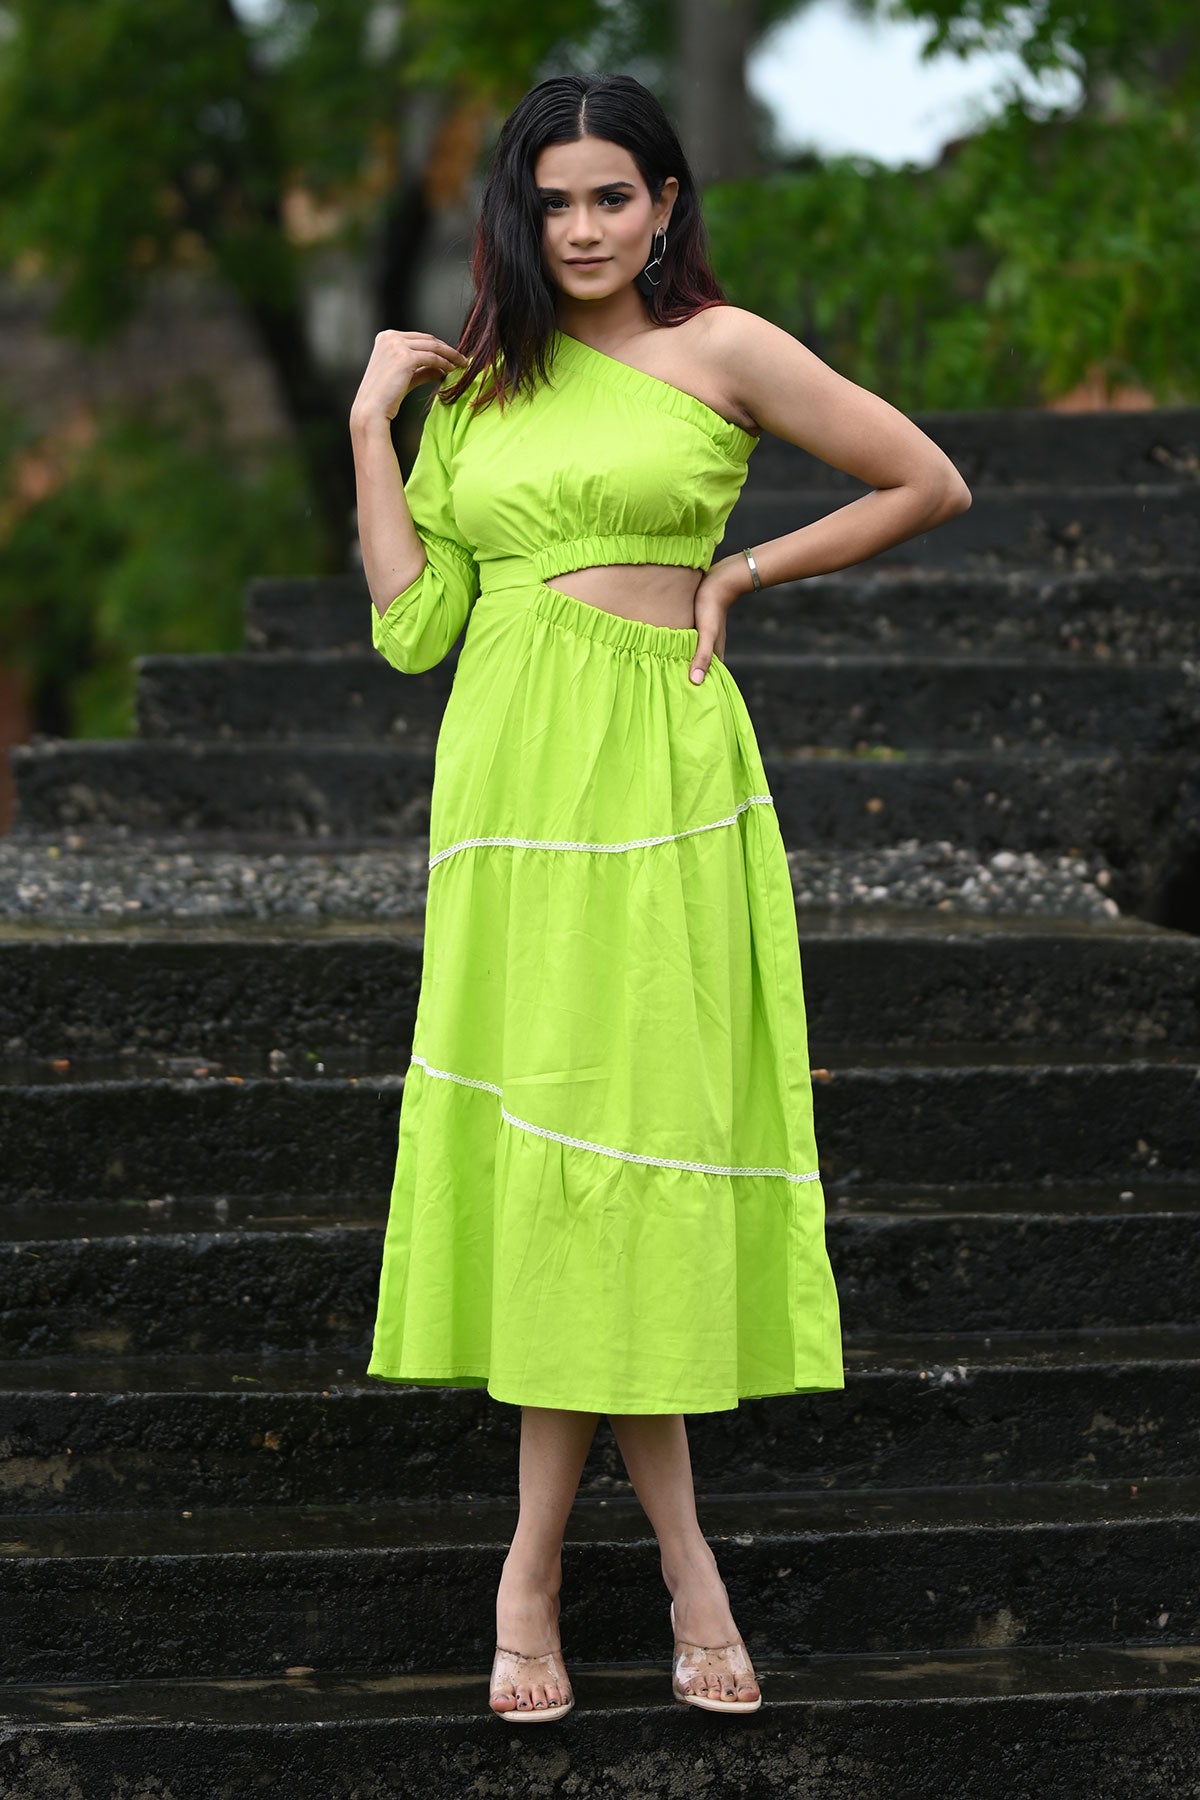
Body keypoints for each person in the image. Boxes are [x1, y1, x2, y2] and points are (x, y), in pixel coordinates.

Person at [349, 71, 972, 1723]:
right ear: (520, 213)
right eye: (552, 201)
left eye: (610, 196)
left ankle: (538, 1577)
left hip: (660, 780)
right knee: (566, 1168)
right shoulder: (480, 393)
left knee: (620, 1157)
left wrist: (741, 572)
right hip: (507, 797)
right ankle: (671, 1580)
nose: (581, 229)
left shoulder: (724, 349)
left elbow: (925, 480)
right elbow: (413, 629)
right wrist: (370, 428)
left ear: (665, 203)